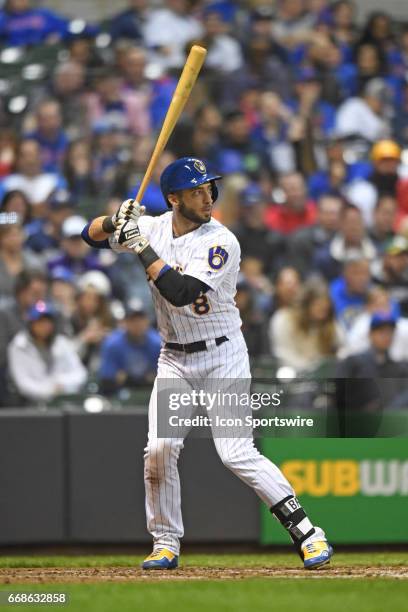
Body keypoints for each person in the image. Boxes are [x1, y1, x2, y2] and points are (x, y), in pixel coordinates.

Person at [82, 156, 333, 570]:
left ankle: (307, 532)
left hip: (222, 354)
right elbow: (87, 236)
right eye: (196, 191)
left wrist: (140, 246)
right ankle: (165, 542)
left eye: (208, 188)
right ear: (173, 199)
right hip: (175, 357)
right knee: (159, 449)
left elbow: (180, 291)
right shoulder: (155, 226)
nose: (207, 197)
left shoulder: (221, 241)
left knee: (236, 452)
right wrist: (114, 220)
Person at [8, 300, 87, 404]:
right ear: (31, 323)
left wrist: (61, 384)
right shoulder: (19, 346)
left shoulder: (61, 342)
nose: (45, 326)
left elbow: (80, 374)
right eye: (40, 321)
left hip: (63, 400)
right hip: (30, 405)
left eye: (48, 321)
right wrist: (49, 390)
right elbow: (23, 384)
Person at [269, 279, 339, 371]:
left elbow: (344, 348)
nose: (322, 312)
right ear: (306, 305)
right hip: (293, 375)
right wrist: (309, 368)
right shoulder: (283, 319)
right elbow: (283, 353)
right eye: (318, 305)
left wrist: (336, 360)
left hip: (322, 376)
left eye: (325, 309)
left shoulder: (329, 323)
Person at [98, 299, 161, 394]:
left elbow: (166, 378)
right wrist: (145, 379)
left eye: (141, 319)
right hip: (119, 394)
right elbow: (107, 378)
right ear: (125, 322)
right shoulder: (112, 344)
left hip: (153, 393)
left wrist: (126, 378)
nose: (137, 324)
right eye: (133, 320)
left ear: (147, 321)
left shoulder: (159, 344)